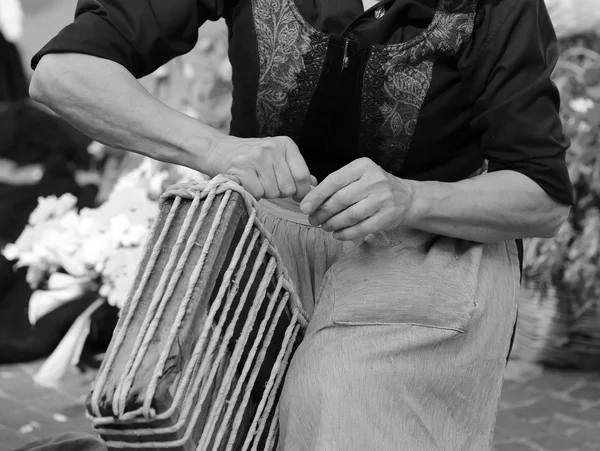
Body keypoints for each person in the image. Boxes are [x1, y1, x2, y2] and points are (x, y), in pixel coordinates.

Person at [26, 0, 573, 449]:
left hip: (427, 243)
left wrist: (411, 199)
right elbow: (64, 74)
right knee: (173, 406)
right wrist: (214, 148)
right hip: (261, 242)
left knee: (340, 400)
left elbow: (541, 195)